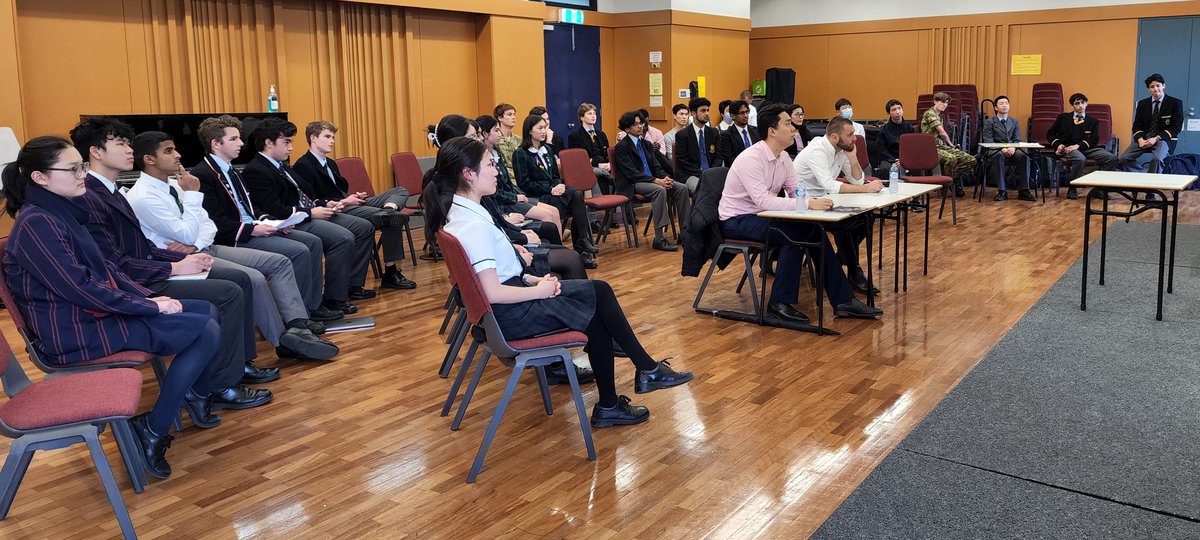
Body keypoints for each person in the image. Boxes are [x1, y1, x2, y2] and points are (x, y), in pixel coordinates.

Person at [423, 136, 693, 427]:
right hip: (510, 317)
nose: (497, 170)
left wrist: (528, 275)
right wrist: (537, 289)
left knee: (597, 300)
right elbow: (490, 291)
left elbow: (491, 276)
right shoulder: (474, 224)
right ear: (468, 173)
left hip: (503, 310)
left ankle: (624, 392)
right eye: (490, 164)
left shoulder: (461, 212)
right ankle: (637, 379)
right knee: (598, 299)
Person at [1, 136, 222, 479]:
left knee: (205, 310)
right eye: (73, 169)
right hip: (74, 331)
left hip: (90, 316)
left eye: (82, 167)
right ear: (39, 178)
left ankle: (188, 396)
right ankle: (153, 428)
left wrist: (148, 301)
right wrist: (148, 307)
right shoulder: (38, 223)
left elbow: (108, 273)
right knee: (202, 328)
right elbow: (81, 289)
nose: (82, 175)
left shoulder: (60, 212)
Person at [70, 117, 273, 412]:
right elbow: (114, 263)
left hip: (147, 269)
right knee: (229, 291)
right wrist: (173, 266)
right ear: (96, 152)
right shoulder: (92, 196)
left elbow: (145, 246)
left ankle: (237, 366)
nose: (130, 150)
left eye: (129, 143)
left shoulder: (112, 191)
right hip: (136, 284)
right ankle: (221, 385)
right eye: (122, 144)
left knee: (239, 280)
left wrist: (182, 257)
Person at [126, 131, 339, 362]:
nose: (178, 155)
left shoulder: (176, 185)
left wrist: (195, 240)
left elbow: (208, 226)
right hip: (183, 262)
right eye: (169, 151)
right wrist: (193, 199)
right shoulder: (145, 196)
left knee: (278, 262)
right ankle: (282, 341)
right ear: (149, 159)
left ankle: (298, 327)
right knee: (253, 277)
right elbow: (186, 231)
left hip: (203, 247)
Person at [719, 103, 883, 323]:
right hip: (737, 219)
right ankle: (779, 303)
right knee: (793, 236)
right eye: (787, 123)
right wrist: (807, 204)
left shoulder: (784, 158)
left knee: (814, 231)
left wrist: (808, 202)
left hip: (763, 215)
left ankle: (843, 301)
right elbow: (762, 201)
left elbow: (796, 192)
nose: (794, 127)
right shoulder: (751, 158)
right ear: (772, 131)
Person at [189, 115, 341, 331]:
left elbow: (251, 210)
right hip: (236, 239)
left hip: (254, 229)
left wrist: (274, 222)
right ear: (216, 144)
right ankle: (297, 313)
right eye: (234, 139)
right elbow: (217, 224)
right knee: (298, 250)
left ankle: (309, 306)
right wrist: (255, 229)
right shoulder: (203, 175)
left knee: (311, 241)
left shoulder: (231, 170)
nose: (241, 143)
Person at [241, 118, 377, 314]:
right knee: (342, 238)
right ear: (268, 143)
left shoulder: (282, 166)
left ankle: (347, 288)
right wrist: (310, 213)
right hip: (293, 221)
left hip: (307, 214)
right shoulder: (257, 170)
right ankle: (332, 298)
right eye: (286, 142)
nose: (291, 148)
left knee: (362, 227)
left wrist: (323, 204)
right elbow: (276, 209)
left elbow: (306, 195)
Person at [292, 120, 417, 289]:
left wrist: (353, 196)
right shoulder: (303, 165)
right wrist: (344, 201)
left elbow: (340, 190)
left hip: (350, 203)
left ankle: (388, 210)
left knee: (400, 190)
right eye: (327, 136)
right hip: (337, 208)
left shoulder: (331, 163)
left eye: (333, 137)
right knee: (393, 219)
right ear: (313, 138)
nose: (332, 141)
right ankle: (391, 271)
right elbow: (312, 201)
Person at [794, 115, 884, 294]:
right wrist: (867, 190)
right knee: (844, 226)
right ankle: (853, 272)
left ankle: (837, 263)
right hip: (805, 204)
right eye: (850, 135)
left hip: (826, 200)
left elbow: (857, 182)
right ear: (835, 137)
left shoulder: (841, 150)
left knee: (867, 217)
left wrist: (853, 158)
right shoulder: (818, 150)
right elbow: (830, 185)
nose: (854, 138)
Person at [510, 114, 601, 260]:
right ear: (529, 131)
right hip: (539, 196)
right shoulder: (520, 154)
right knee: (577, 205)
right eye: (539, 128)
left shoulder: (547, 150)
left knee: (577, 195)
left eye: (545, 128)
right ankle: (581, 248)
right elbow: (524, 183)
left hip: (555, 192)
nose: (543, 131)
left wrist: (558, 184)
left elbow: (555, 175)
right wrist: (550, 189)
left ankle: (582, 245)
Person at [613, 111, 690, 252]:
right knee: (659, 190)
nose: (640, 126)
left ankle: (685, 233)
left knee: (681, 188)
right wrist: (656, 181)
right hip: (633, 183)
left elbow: (656, 167)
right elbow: (631, 173)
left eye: (641, 123)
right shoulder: (622, 147)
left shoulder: (647, 144)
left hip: (653, 180)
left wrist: (664, 178)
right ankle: (659, 238)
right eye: (635, 124)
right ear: (627, 128)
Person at [1047, 92, 1118, 199]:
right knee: (1080, 159)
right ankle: (1072, 187)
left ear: (1086, 104)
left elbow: (1094, 139)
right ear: (1073, 105)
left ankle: (1099, 189)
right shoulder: (1063, 118)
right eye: (1077, 103)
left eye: (1082, 102)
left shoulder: (1093, 121)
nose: (1080, 105)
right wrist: (1058, 144)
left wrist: (1078, 146)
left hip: (1086, 148)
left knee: (1112, 158)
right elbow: (1050, 134)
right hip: (1068, 148)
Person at [1119, 73, 1184, 173]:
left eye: (1158, 85)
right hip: (1144, 138)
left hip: (1163, 138)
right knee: (1124, 159)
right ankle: (1144, 174)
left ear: (1163, 86)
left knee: (1157, 159)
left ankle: (1152, 183)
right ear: (1148, 89)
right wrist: (1140, 139)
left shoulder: (1175, 103)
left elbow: (1176, 127)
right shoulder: (1142, 103)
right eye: (1152, 87)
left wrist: (1156, 138)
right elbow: (1137, 126)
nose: (1155, 89)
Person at [920, 92, 975, 197]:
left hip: (941, 146)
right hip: (930, 148)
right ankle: (948, 184)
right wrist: (951, 145)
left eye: (946, 103)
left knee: (970, 160)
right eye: (942, 102)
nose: (944, 105)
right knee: (951, 158)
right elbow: (942, 132)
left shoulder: (939, 115)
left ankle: (948, 180)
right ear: (935, 101)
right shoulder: (930, 113)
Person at [980, 96, 1034, 202]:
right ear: (995, 107)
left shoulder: (1014, 122)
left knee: (1024, 156)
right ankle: (1001, 190)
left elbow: (1017, 139)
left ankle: (1024, 190)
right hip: (995, 150)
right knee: (999, 156)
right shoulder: (989, 122)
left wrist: (1013, 147)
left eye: (1006, 103)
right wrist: (1002, 148)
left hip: (1012, 149)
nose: (1004, 105)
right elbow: (988, 141)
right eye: (1001, 103)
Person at [674, 97, 722, 195]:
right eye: (703, 111)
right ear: (693, 113)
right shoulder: (682, 135)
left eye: (708, 110)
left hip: (711, 173)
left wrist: (711, 173)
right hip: (690, 174)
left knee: (725, 188)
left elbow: (719, 156)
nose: (707, 113)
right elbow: (683, 161)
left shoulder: (713, 132)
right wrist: (703, 174)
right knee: (704, 190)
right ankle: (700, 210)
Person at [566, 102, 614, 194]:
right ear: (582, 117)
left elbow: (607, 153)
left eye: (594, 114)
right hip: (589, 167)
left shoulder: (601, 134)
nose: (593, 116)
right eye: (589, 113)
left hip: (604, 165)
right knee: (598, 173)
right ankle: (600, 202)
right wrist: (597, 164)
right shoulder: (575, 136)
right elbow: (577, 159)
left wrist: (609, 163)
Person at [875, 99, 913, 175]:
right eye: (894, 110)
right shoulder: (884, 130)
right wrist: (894, 160)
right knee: (885, 168)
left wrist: (904, 160)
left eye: (899, 108)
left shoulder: (910, 127)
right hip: (890, 158)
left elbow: (913, 147)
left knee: (918, 166)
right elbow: (882, 150)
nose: (898, 112)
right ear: (889, 113)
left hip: (907, 157)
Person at [718, 100, 761, 166]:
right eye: (742, 113)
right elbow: (729, 159)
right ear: (733, 116)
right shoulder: (726, 135)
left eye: (747, 112)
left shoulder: (756, 131)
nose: (746, 115)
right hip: (739, 170)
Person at [494, 103, 521, 179]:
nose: (513, 117)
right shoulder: (496, 139)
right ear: (500, 118)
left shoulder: (519, 139)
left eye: (514, 114)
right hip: (505, 179)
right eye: (509, 114)